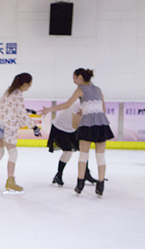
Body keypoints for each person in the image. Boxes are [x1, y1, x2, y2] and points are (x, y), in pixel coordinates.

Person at [41, 68, 114, 196]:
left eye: (74, 77)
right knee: (100, 156)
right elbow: (103, 109)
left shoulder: (80, 90)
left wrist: (49, 109)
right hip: (102, 123)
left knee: (83, 155)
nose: (73, 80)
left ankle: (80, 185)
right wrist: (87, 110)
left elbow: (67, 105)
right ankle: (101, 185)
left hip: (87, 124)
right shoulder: (98, 89)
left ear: (80, 77)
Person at [0, 72, 42, 193]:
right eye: (30, 83)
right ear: (26, 84)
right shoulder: (18, 95)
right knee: (13, 153)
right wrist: (34, 127)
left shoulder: (8, 91)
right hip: (6, 126)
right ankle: (10, 181)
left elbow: (12, 108)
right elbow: (20, 114)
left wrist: (27, 113)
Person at [46, 99, 97, 187]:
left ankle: (86, 174)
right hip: (60, 128)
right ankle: (59, 175)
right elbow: (75, 124)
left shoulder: (91, 105)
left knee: (83, 150)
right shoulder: (78, 104)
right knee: (68, 152)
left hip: (73, 128)